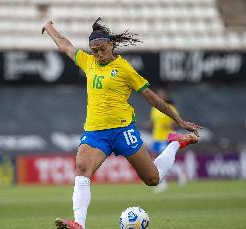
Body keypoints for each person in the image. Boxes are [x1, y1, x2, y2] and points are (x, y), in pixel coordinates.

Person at [42, 18, 201, 229]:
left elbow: (152, 97)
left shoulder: (124, 69)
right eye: (94, 50)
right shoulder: (88, 61)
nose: (98, 54)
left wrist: (178, 120)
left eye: (102, 49)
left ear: (111, 45)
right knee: (82, 167)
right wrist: (49, 27)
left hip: (123, 130)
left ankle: (175, 143)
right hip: (96, 132)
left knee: (153, 179)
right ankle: (79, 224)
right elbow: (65, 45)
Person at [149, 89, 187, 193]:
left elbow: (176, 121)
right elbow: (154, 122)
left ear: (165, 97)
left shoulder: (171, 108)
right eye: (158, 95)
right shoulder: (154, 109)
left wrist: (169, 125)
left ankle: (179, 173)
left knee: (164, 160)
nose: (160, 96)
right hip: (156, 137)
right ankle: (164, 183)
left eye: (162, 95)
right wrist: (149, 125)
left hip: (166, 137)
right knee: (155, 161)